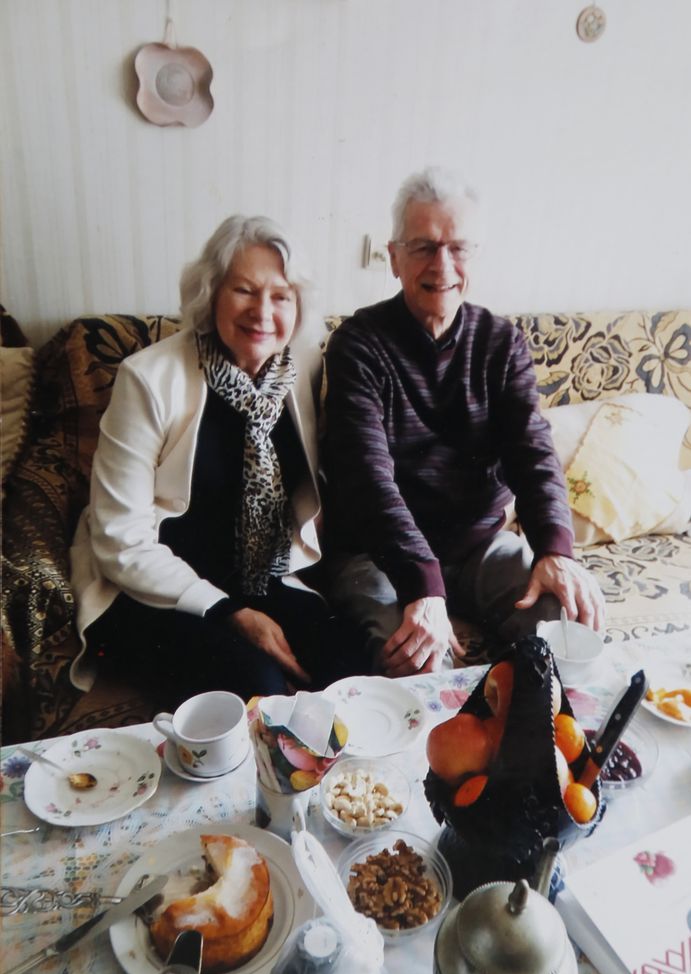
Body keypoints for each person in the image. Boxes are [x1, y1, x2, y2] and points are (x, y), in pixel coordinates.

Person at [70, 214, 366, 705]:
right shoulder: (148, 379)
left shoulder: (304, 367)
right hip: (156, 589)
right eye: (244, 290)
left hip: (262, 577)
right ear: (210, 295)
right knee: (257, 692)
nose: (262, 312)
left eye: (281, 296)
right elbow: (120, 538)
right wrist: (230, 613)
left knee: (351, 670)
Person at [323, 167, 604, 679]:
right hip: (377, 556)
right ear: (394, 258)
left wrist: (554, 550)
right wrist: (423, 584)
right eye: (424, 247)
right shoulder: (358, 345)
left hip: (479, 546)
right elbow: (366, 477)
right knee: (417, 660)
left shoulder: (502, 343)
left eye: (458, 248)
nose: (443, 265)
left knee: (568, 630)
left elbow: (532, 451)